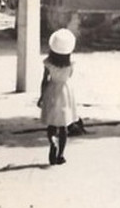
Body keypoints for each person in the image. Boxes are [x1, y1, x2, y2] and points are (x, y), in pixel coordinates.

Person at [36, 28, 84, 166]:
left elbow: (44, 80)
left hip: (52, 90)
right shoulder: (70, 63)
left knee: (51, 123)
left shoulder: (48, 63)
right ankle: (61, 155)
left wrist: (41, 96)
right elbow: (69, 76)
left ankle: (52, 141)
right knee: (64, 125)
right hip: (66, 92)